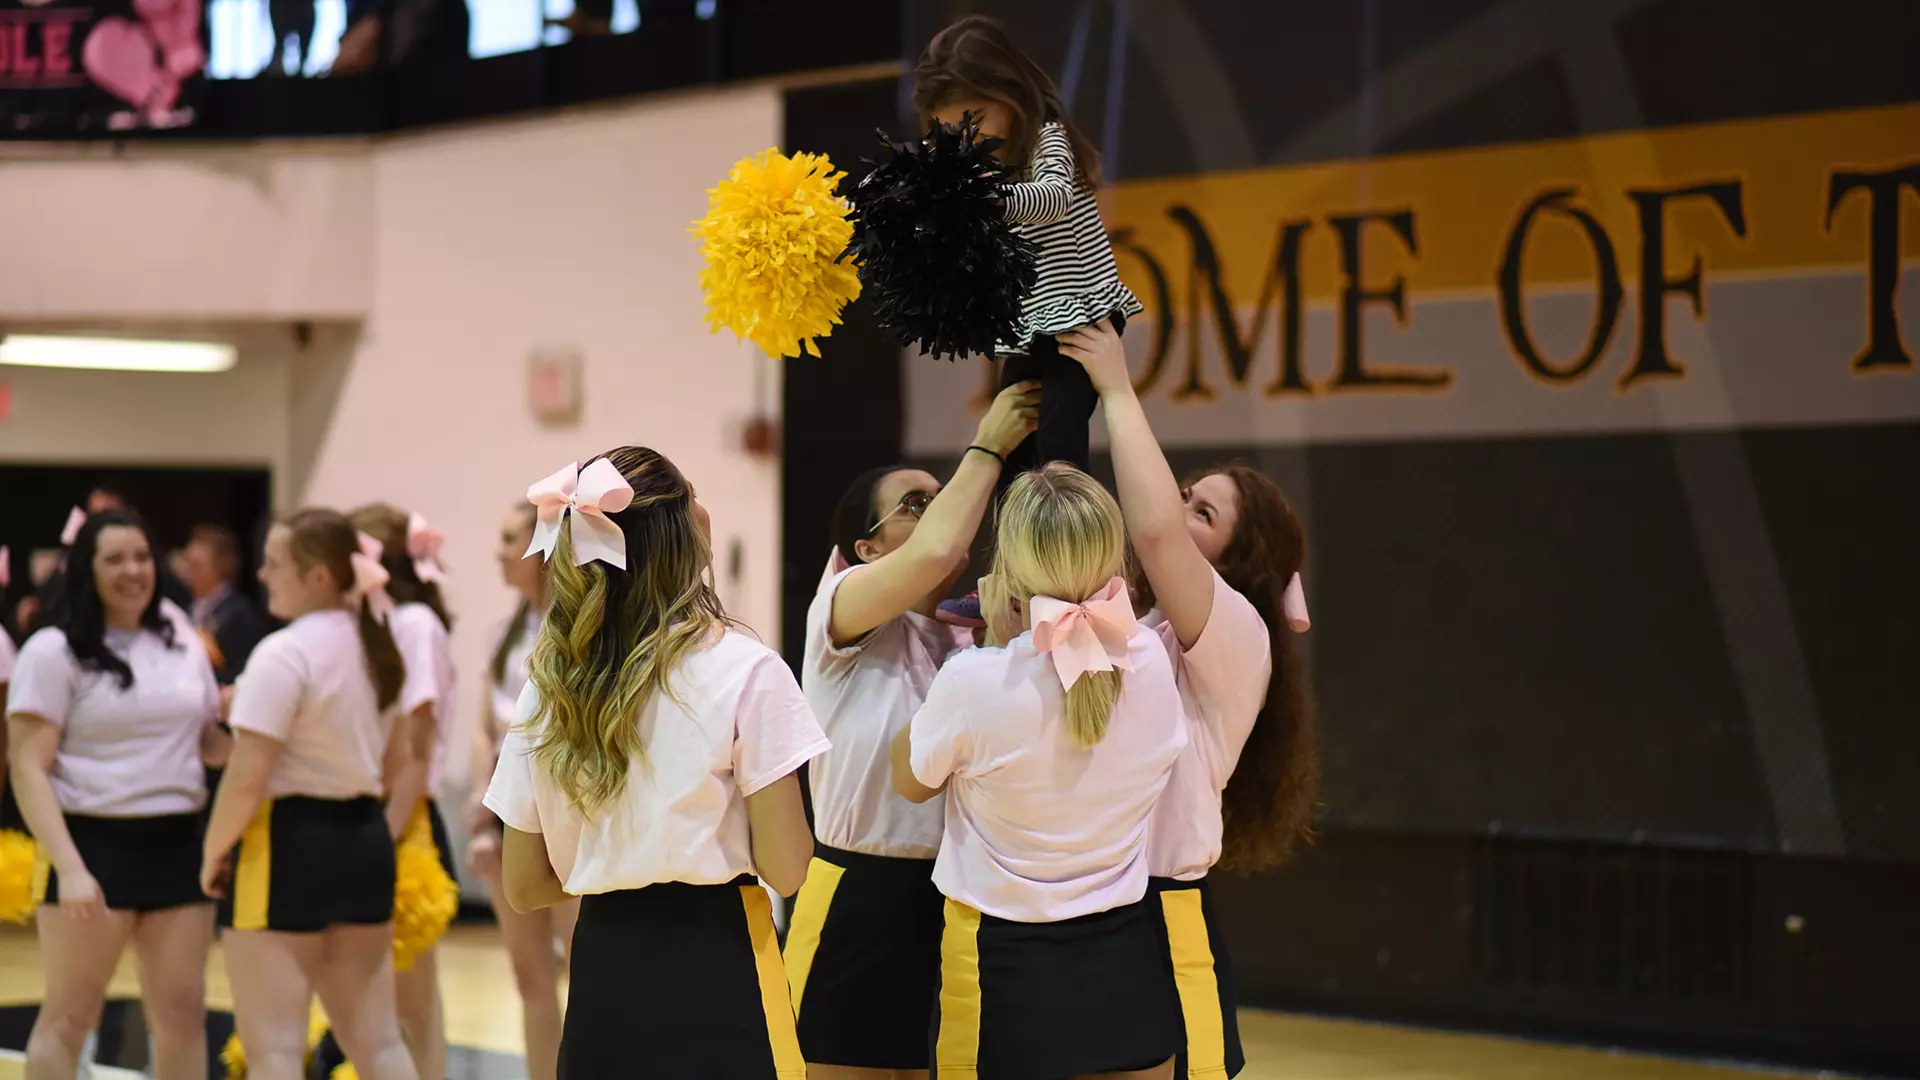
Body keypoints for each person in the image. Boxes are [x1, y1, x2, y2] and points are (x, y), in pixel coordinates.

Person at [483, 448, 828, 1079]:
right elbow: (787, 867)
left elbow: (525, 884)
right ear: (680, 534)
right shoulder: (747, 668)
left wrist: (618, 860)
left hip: (603, 977)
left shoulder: (550, 679)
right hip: (722, 964)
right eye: (693, 493)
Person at [1062, 319, 1319, 1080]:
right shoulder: (1129, 621)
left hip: (1161, 920)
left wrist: (1116, 387)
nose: (1176, 512)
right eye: (1183, 495)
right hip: (1076, 914)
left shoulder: (1240, 635)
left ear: (1242, 563)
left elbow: (1153, 532)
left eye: (1201, 513)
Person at [892, 464, 1188, 1080]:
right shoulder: (1154, 660)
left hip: (999, 968)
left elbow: (911, 778)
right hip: (1128, 957)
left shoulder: (975, 680)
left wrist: (998, 643)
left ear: (1009, 574)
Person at [787, 379, 1037, 1080]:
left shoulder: (978, 639)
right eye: (914, 506)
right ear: (867, 549)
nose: (936, 519)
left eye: (940, 501)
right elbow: (930, 554)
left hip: (952, 898)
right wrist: (988, 444)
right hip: (855, 899)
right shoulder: (839, 609)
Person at [5, 509, 226, 1080]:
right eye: (115, 559)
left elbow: (204, 743)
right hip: (91, 843)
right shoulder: (52, 650)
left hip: (178, 842)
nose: (133, 571)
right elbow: (28, 769)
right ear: (87, 569)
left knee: (180, 1013)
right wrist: (70, 867)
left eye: (142, 556)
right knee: (70, 1016)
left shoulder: (179, 634)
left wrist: (243, 727)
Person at [200, 508, 418, 1080]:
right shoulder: (379, 647)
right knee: (380, 1043)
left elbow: (248, 775)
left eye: (274, 565)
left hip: (284, 845)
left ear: (319, 576)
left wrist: (211, 852)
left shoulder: (284, 652)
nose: (264, 577)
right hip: (365, 840)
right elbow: (398, 762)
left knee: (274, 1051)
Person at [915, 15, 1142, 483]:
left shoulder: (1047, 140)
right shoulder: (973, 171)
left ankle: (1069, 545)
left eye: (974, 119)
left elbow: (1054, 198)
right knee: (1012, 441)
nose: (965, 138)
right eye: (950, 130)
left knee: (1060, 444)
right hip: (1032, 322)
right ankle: (1020, 548)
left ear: (1012, 97)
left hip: (1079, 311)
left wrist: (991, 200)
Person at [466, 500, 574, 1080]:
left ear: (542, 549)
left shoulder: (579, 627)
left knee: (585, 971)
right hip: (509, 812)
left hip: (564, 811)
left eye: (511, 539)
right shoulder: (499, 630)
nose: (499, 551)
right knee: (530, 978)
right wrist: (482, 801)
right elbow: (484, 726)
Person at [180, 524, 271, 684]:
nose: (188, 573)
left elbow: (242, 668)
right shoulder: (185, 608)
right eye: (187, 564)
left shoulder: (238, 612)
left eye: (196, 565)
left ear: (220, 566)